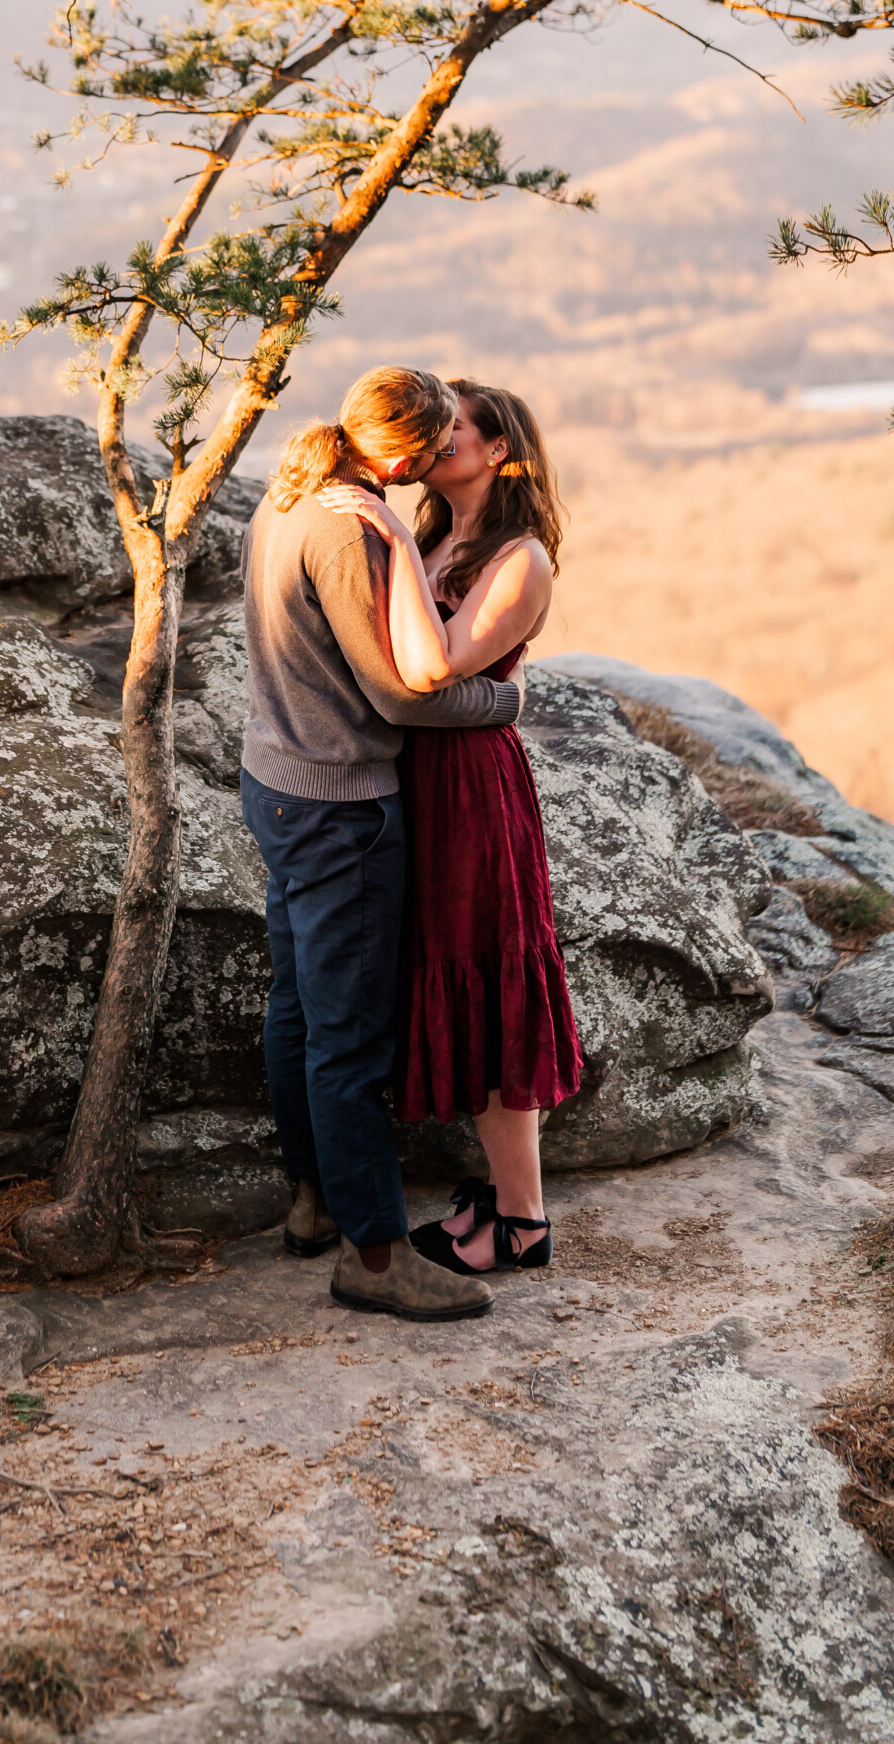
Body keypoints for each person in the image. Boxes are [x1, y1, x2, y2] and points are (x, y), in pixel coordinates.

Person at [239, 365, 524, 1325]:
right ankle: (374, 1254)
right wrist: (504, 700)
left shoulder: (286, 493)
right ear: (401, 455)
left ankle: (316, 1200)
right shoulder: (352, 526)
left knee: (296, 1009)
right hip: (341, 809)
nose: (439, 461)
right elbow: (402, 691)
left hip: (273, 782)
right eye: (434, 447)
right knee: (348, 1038)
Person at [318, 379, 582, 1276]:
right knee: (443, 979)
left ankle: (524, 1220)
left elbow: (433, 670)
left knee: (490, 985)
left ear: (498, 451)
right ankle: (505, 1204)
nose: (438, 439)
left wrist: (386, 532)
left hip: (469, 786)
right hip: (410, 778)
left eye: (457, 429)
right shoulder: (435, 533)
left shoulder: (521, 559)